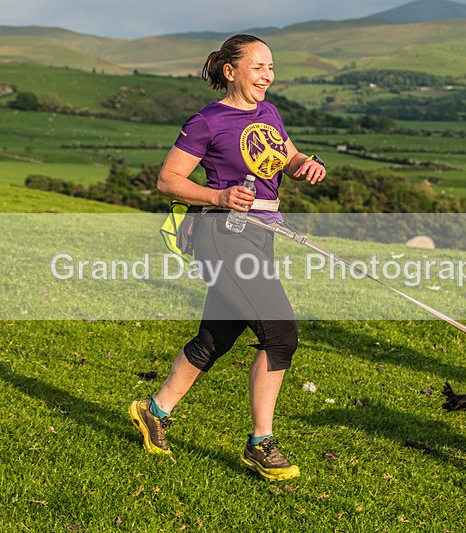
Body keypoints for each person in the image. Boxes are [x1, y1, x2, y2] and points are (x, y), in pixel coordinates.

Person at [129, 34, 326, 481]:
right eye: (258, 68)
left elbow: (288, 157)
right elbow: (168, 180)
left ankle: (153, 410)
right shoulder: (206, 121)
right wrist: (218, 196)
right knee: (280, 335)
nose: (268, 76)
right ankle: (261, 443)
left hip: (262, 236)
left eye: (271, 67)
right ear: (230, 71)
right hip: (223, 235)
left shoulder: (269, 113)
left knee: (216, 336)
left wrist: (306, 165)